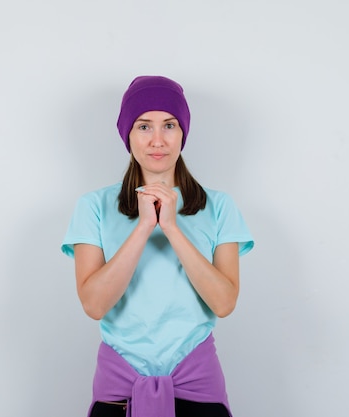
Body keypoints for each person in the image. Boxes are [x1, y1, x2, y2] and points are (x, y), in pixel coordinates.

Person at [61, 75, 254, 417]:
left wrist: (171, 228)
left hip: (198, 389)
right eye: (144, 126)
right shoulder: (93, 206)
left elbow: (224, 302)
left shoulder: (220, 206)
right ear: (128, 135)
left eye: (169, 125)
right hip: (118, 393)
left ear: (183, 133)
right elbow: (93, 304)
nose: (158, 140)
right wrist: (144, 226)